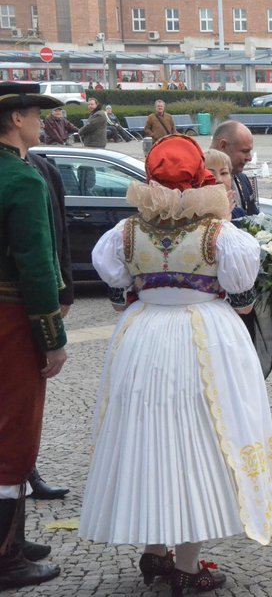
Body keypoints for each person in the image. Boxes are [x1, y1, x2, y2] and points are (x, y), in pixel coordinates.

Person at [79, 135, 272, 593]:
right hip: (207, 340)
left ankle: (155, 552)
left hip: (142, 338)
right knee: (201, 442)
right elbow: (240, 291)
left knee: (150, 440)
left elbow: (117, 286)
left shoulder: (124, 233)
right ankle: (188, 565)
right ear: (199, 177)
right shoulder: (221, 234)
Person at [0, 82, 67, 591]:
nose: (40, 122)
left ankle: (14, 539)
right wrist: (52, 335)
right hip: (11, 319)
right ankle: (7, 558)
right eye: (34, 114)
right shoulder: (22, 180)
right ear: (15, 120)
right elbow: (37, 267)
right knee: (14, 432)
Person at [25, 151, 74, 504]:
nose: (39, 123)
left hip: (38, 296)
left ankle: (26, 471)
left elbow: (59, 234)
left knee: (26, 393)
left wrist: (66, 289)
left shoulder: (42, 166)